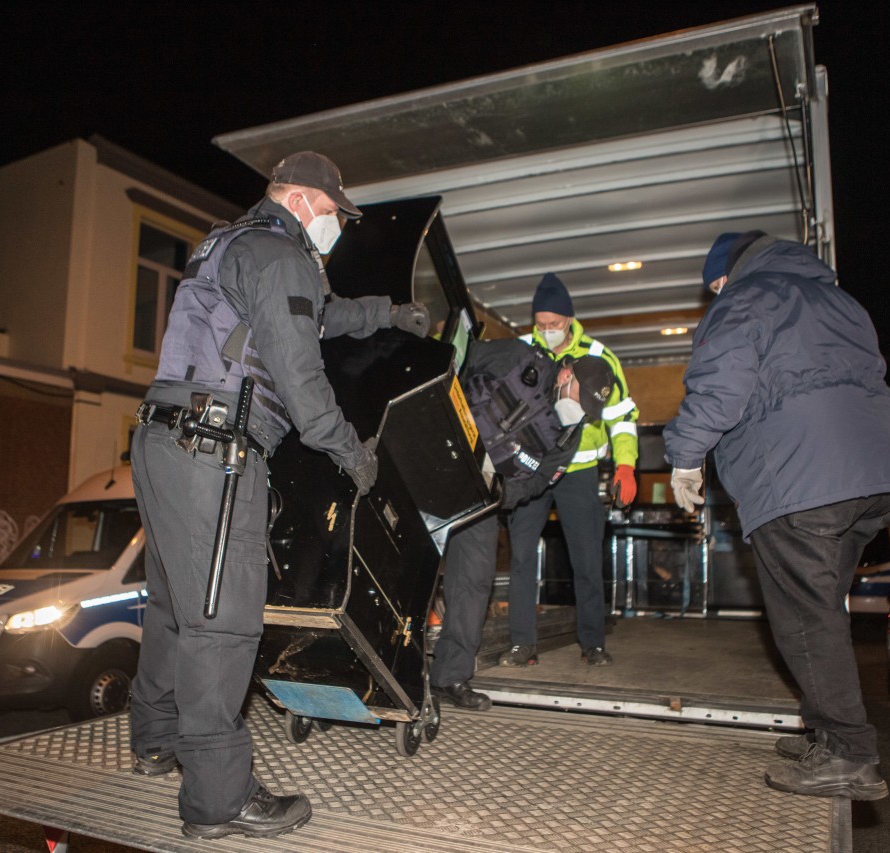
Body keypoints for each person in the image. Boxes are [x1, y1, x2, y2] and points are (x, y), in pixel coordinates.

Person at [129, 151, 429, 840]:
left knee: (176, 606)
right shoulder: (280, 254)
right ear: (300, 201)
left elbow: (321, 317)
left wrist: (392, 315)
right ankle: (217, 797)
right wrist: (355, 455)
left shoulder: (232, 243)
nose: (339, 229)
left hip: (162, 440)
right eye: (333, 214)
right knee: (224, 620)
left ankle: (154, 738)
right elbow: (301, 377)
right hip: (215, 450)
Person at [663, 231, 890, 801]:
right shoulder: (840, 301)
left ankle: (851, 754)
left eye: (716, 284)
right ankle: (828, 733)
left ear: (729, 274)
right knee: (823, 608)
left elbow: (719, 386)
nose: (717, 293)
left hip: (803, 476)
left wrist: (684, 457)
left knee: (804, 618)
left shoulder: (746, 298)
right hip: (875, 475)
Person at [429, 339, 585, 710]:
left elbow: (538, 480)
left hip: (483, 498)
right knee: (400, 561)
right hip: (436, 461)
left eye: (587, 408)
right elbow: (456, 366)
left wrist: (499, 491)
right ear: (566, 374)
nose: (579, 409)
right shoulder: (517, 358)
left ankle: (449, 677)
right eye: (579, 397)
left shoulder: (570, 430)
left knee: (474, 582)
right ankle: (375, 664)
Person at [500, 271, 637, 668]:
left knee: (586, 557)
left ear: (570, 320)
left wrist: (626, 466)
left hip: (579, 470)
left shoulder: (599, 356)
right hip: (529, 469)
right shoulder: (522, 350)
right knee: (523, 556)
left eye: (555, 325)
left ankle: (592, 642)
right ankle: (522, 644)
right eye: (541, 325)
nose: (547, 332)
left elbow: (622, 417)